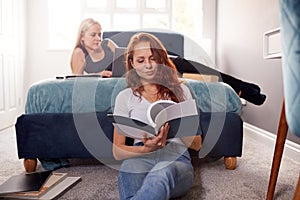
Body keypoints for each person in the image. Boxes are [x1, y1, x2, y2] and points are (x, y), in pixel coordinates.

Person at [112, 32, 202, 200]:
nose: (148, 65)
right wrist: (148, 148)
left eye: (153, 58)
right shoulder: (124, 97)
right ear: (132, 63)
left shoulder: (181, 91)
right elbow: (118, 151)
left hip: (176, 157)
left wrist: (176, 124)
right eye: (141, 60)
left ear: (161, 59)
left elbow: (197, 144)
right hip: (140, 155)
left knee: (160, 174)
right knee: (129, 169)